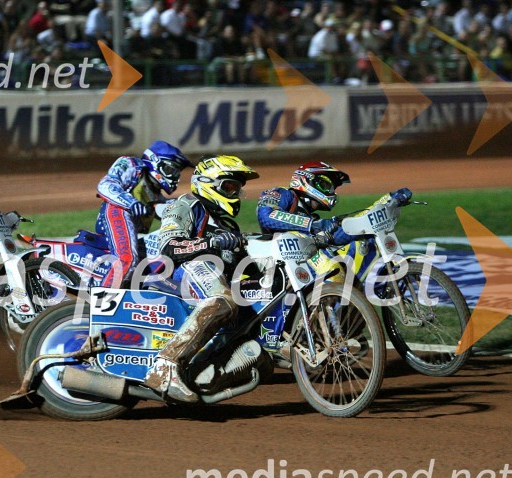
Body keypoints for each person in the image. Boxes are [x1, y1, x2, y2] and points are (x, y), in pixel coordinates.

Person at [144, 155, 259, 403]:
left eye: (237, 189)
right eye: (229, 187)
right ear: (207, 183)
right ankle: (164, 366)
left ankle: (200, 374)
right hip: (179, 272)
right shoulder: (186, 204)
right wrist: (211, 242)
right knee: (223, 300)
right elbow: (170, 247)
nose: (235, 194)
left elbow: (242, 266)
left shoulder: (227, 224)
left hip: (210, 276)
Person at [94, 140, 192, 288]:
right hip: (118, 211)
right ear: (155, 162)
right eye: (172, 170)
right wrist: (131, 202)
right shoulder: (131, 165)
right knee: (127, 260)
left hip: (133, 229)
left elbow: (164, 207)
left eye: (177, 173)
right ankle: (102, 297)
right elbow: (105, 185)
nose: (175, 176)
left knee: (151, 259)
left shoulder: (154, 192)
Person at [256, 161, 413, 244]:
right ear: (306, 180)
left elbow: (354, 226)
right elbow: (265, 215)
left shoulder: (315, 219)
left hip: (304, 266)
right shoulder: (283, 194)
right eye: (325, 185)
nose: (330, 191)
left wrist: (388, 200)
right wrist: (312, 224)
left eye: (331, 188)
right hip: (275, 266)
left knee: (365, 239)